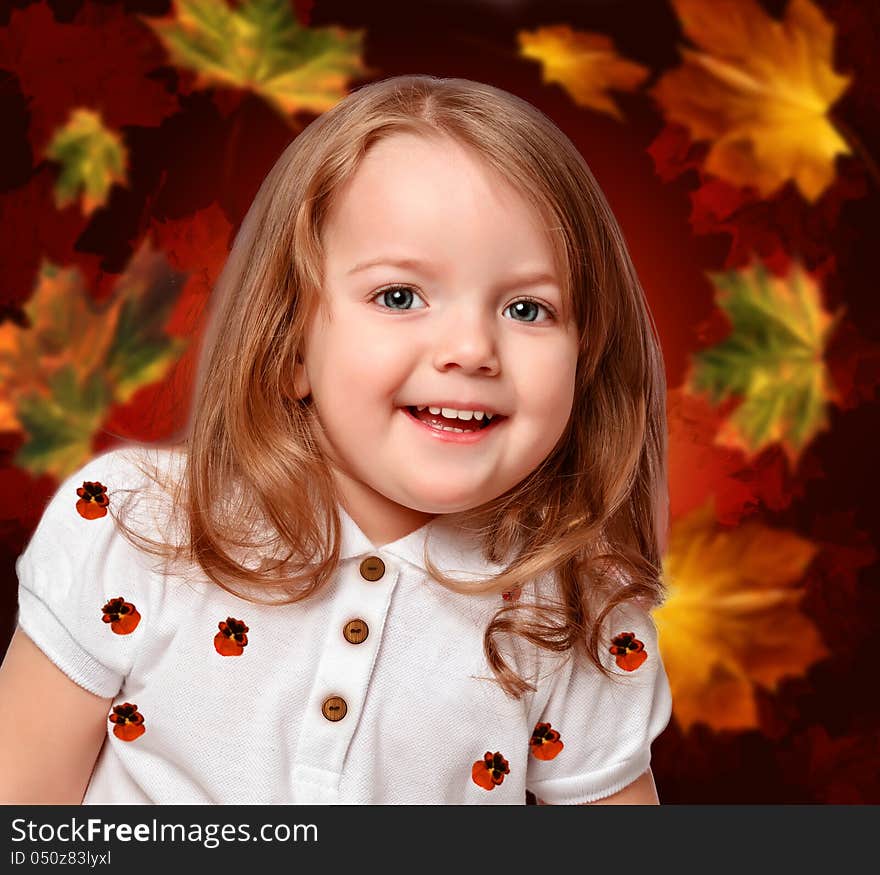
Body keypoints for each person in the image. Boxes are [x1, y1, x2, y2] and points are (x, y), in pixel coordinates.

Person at [0, 74, 673, 805]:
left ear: (587, 357)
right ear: (291, 347)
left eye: (526, 307)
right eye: (399, 296)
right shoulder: (138, 525)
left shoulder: (576, 615)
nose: (472, 347)